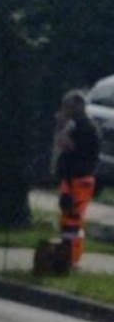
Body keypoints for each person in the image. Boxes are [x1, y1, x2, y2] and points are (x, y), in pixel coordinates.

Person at [55, 90, 101, 267]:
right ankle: (68, 253)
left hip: (79, 180)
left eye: (67, 106)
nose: (64, 110)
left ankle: (71, 258)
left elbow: (72, 147)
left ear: (77, 106)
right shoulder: (75, 124)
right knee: (68, 219)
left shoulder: (85, 127)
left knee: (73, 219)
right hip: (70, 179)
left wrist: (64, 132)